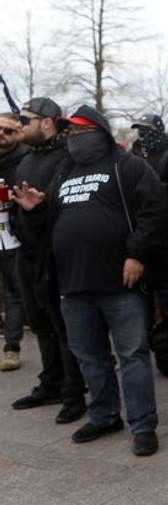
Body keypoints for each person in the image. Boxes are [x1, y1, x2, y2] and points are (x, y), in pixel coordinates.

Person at [13, 105, 168, 456]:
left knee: (132, 355)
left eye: (83, 131)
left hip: (121, 284)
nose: (76, 138)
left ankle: (143, 424)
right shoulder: (63, 172)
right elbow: (45, 230)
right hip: (72, 284)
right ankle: (103, 415)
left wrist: (137, 254)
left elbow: (154, 210)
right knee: (89, 356)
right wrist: (35, 210)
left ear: (99, 131)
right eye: (71, 132)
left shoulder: (128, 165)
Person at [9, 97, 87, 423]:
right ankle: (51, 382)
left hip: (56, 255)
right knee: (40, 323)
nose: (18, 126)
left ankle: (74, 392)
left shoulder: (68, 157)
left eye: (24, 120)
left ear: (47, 122)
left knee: (63, 325)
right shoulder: (27, 160)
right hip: (25, 254)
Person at [0, 113, 29, 371]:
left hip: (16, 235)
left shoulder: (26, 159)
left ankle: (12, 347)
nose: (2, 134)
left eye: (9, 131)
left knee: (15, 292)